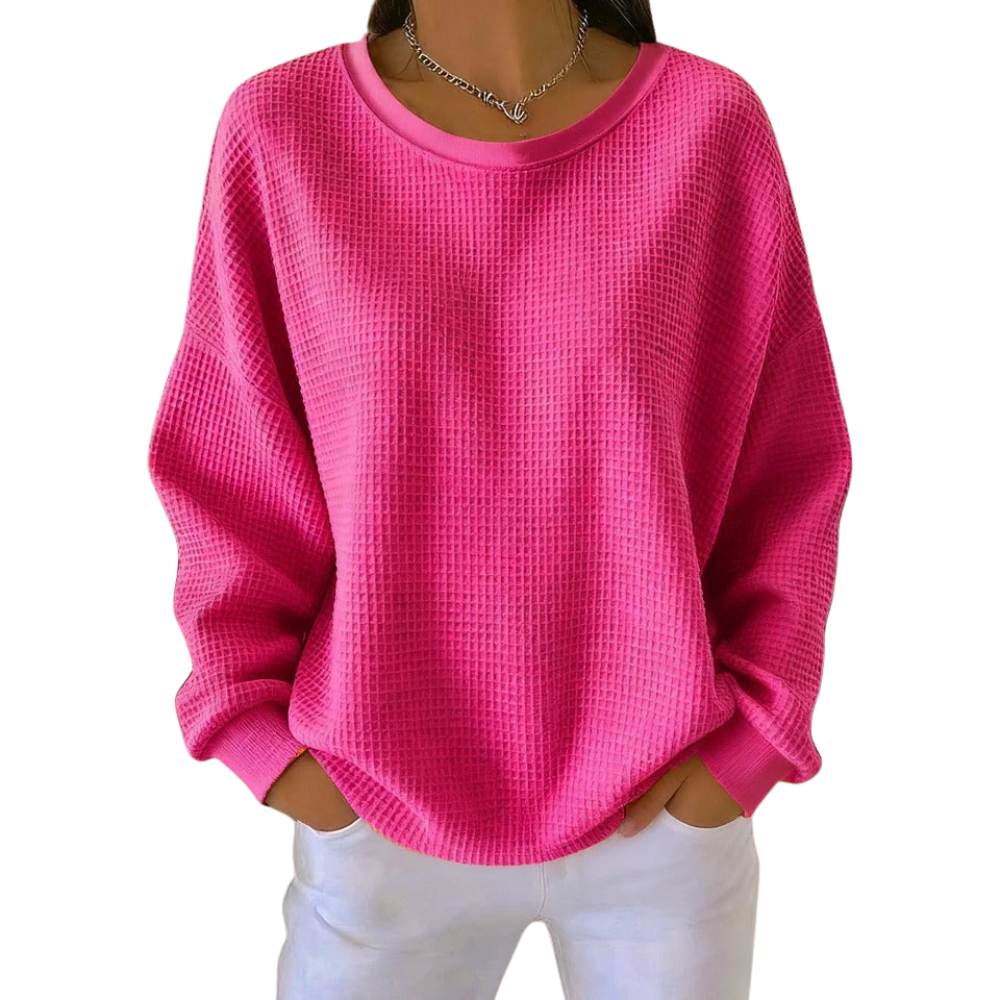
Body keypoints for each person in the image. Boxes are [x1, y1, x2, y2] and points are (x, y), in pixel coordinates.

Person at [146, 1, 853, 997]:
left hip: (661, 816)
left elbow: (786, 461)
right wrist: (260, 740)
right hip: (376, 810)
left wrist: (747, 747)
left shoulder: (707, 125)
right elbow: (232, 463)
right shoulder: (283, 129)